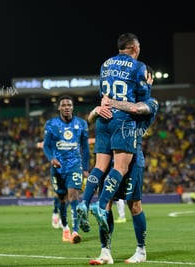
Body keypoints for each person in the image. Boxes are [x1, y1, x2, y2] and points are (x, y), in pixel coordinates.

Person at [78, 33, 151, 235]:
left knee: (100, 166)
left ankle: (83, 203)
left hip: (103, 119)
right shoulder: (139, 67)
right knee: (120, 166)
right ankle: (100, 206)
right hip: (123, 120)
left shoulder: (105, 64)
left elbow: (104, 95)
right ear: (135, 48)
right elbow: (141, 103)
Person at [88, 66, 158, 265]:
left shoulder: (151, 102)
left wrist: (111, 103)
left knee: (134, 205)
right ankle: (105, 252)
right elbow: (93, 119)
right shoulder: (122, 98)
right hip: (112, 155)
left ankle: (141, 250)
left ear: (149, 79)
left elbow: (136, 108)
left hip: (133, 157)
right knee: (106, 204)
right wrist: (97, 110)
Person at [42, 95, 90, 244]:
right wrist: (51, 158)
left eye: (69, 104)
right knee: (62, 199)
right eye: (63, 105)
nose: (67, 107)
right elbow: (46, 146)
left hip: (75, 165)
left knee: (73, 196)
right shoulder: (51, 124)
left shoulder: (81, 124)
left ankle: (75, 231)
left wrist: (86, 168)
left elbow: (86, 147)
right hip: (57, 167)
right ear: (59, 108)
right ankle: (65, 228)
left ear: (73, 107)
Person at [37, 141, 63, 229]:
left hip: (68, 169)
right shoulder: (54, 137)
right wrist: (41, 144)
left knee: (66, 194)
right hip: (56, 170)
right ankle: (55, 214)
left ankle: (62, 216)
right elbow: (44, 144)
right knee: (59, 193)